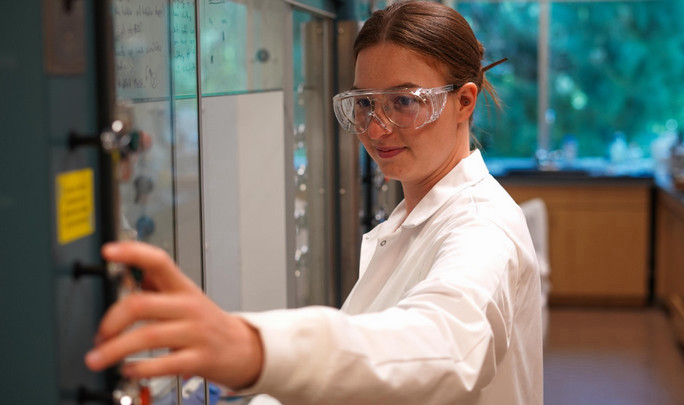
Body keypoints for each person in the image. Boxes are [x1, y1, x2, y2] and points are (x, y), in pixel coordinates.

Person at [85, 1, 543, 403]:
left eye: (404, 102)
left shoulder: (482, 228)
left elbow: (444, 346)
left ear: (465, 102)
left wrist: (253, 349)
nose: (377, 128)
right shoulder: (415, 220)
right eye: (365, 103)